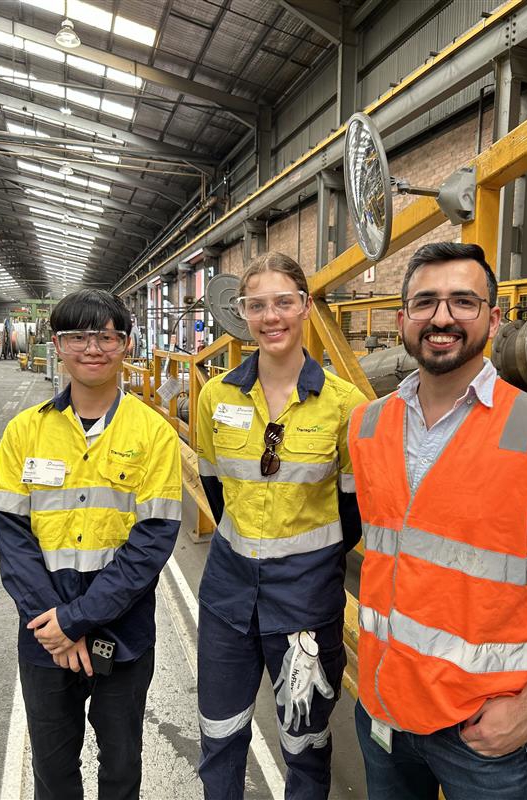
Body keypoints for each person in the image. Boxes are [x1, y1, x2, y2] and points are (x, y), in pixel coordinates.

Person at [348, 241, 527, 800]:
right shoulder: (367, 425)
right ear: (403, 319)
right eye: (425, 302)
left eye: (463, 301)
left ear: (493, 319)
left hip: (484, 736)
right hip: (382, 710)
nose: (442, 317)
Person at [0, 289, 182, 800]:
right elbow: (11, 536)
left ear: (126, 345)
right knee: (53, 770)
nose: (92, 348)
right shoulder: (24, 432)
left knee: (121, 764)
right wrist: (55, 624)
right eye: (77, 336)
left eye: (106, 337)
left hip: (123, 629)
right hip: (44, 632)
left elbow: (152, 542)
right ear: (57, 345)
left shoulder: (153, 433)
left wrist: (76, 620)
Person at [196, 252, 366, 799]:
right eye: (257, 305)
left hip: (305, 605)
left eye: (284, 302)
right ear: (243, 313)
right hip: (228, 599)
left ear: (306, 307)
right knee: (220, 735)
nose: (271, 317)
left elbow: (352, 512)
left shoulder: (345, 405)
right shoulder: (215, 397)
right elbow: (216, 490)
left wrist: (303, 559)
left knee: (305, 744)